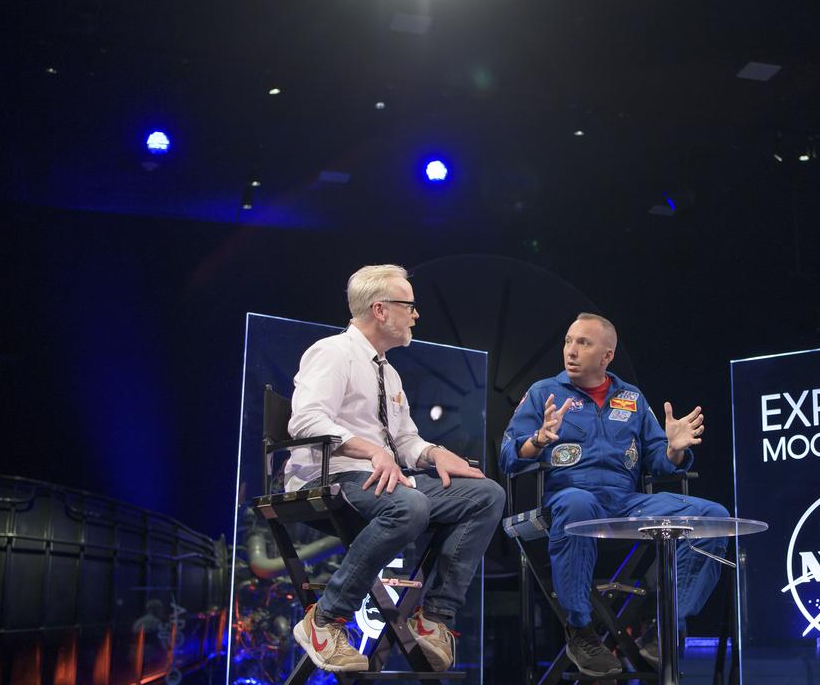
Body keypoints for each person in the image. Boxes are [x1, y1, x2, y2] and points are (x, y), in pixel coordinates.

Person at [284, 264, 505, 673]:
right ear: (381, 310)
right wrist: (371, 450)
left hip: (382, 476)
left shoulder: (388, 370)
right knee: (411, 506)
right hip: (329, 474)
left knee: (485, 494)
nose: (416, 315)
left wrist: (435, 453)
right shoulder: (332, 352)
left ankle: (434, 617)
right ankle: (325, 620)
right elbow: (305, 421)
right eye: (410, 306)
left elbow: (404, 442)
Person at [499, 313, 728, 678]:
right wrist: (537, 440)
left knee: (714, 515)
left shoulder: (631, 398)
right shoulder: (545, 392)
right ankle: (581, 630)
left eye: (583, 343)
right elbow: (507, 454)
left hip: (625, 503)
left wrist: (674, 450)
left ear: (607, 356)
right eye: (568, 341)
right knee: (579, 501)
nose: (570, 351)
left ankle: (665, 628)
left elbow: (659, 461)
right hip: (569, 500)